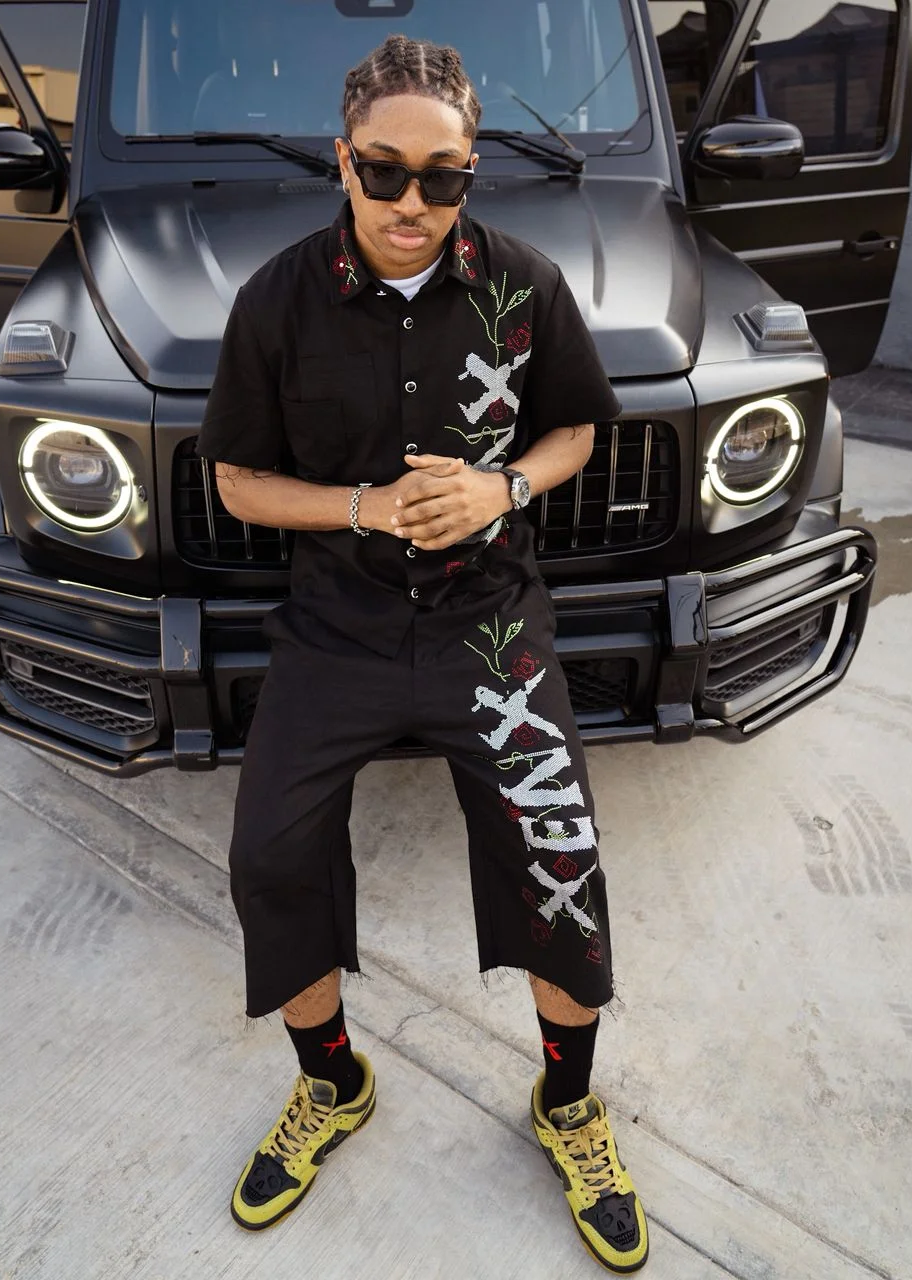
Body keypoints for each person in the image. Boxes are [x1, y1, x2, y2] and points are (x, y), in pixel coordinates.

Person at [196, 34, 648, 1273]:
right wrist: (364, 507)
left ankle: (568, 1103)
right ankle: (332, 1080)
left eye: (441, 177)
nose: (412, 201)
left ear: (470, 172)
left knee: (559, 854)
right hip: (335, 625)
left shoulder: (526, 284)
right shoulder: (276, 299)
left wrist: (502, 488)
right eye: (384, 171)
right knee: (270, 853)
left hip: (488, 625)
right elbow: (236, 480)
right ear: (342, 160)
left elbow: (574, 431)